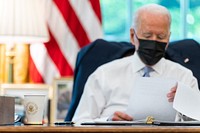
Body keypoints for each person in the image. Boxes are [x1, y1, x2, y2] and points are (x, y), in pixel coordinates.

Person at [72, 4, 199, 123]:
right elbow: (78, 122)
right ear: (133, 36)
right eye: (147, 35)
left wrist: (185, 103)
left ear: (168, 39)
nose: (154, 42)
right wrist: (107, 122)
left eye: (161, 37)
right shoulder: (104, 74)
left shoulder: (184, 77)